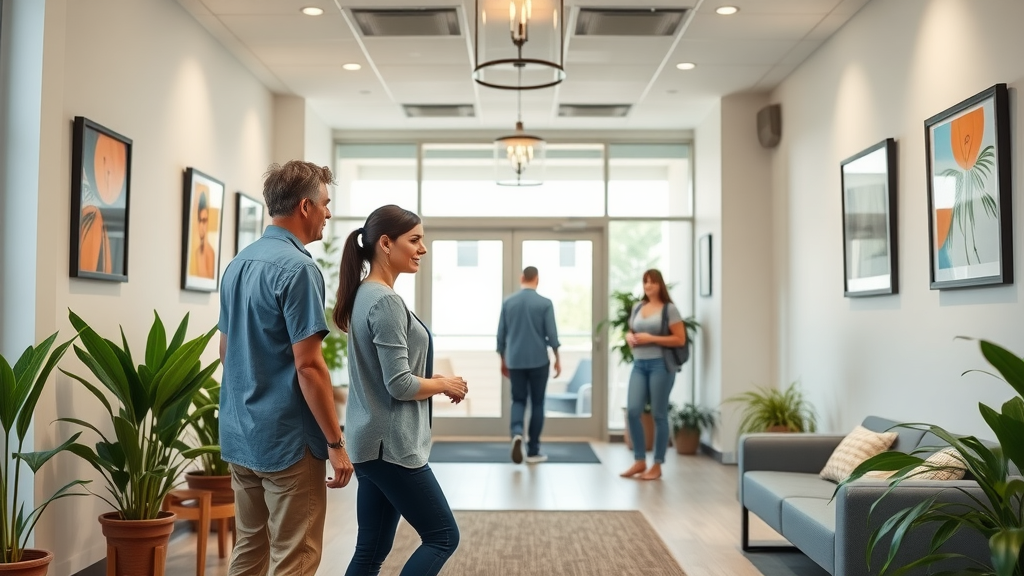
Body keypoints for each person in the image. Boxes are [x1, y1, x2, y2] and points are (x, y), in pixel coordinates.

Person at [218, 160, 354, 576]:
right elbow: (309, 367)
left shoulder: (238, 263)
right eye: (326, 204)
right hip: (289, 443)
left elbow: (226, 350)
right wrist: (336, 443)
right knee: (294, 557)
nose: (329, 214)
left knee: (250, 548)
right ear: (305, 207)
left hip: (242, 434)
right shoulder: (299, 269)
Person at [335, 204, 467, 576]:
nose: (422, 249)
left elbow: (390, 376)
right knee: (442, 536)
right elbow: (400, 384)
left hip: (369, 444)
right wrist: (442, 383)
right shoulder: (385, 302)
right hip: (391, 446)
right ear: (386, 243)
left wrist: (436, 380)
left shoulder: (365, 294)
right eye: (415, 240)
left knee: (370, 552)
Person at [620, 268, 687, 481]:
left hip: (661, 365)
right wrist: (629, 337)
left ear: (660, 285)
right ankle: (639, 461)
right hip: (639, 364)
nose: (648, 286)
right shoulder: (638, 307)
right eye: (645, 282)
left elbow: (680, 340)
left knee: (658, 414)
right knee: (633, 410)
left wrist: (652, 338)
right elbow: (632, 330)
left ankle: (657, 465)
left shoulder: (670, 310)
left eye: (652, 282)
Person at [497, 266, 561, 464]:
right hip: (538, 360)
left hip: (515, 360)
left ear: (521, 277)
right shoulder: (545, 303)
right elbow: (552, 334)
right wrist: (558, 357)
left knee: (518, 400)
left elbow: (501, 335)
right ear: (537, 279)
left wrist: (502, 359)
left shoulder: (508, 303)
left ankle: (517, 433)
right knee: (538, 403)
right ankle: (533, 451)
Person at [190, 188, 217, 278]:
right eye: (200, 220)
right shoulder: (197, 252)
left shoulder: (210, 253)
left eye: (204, 221)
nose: (202, 226)